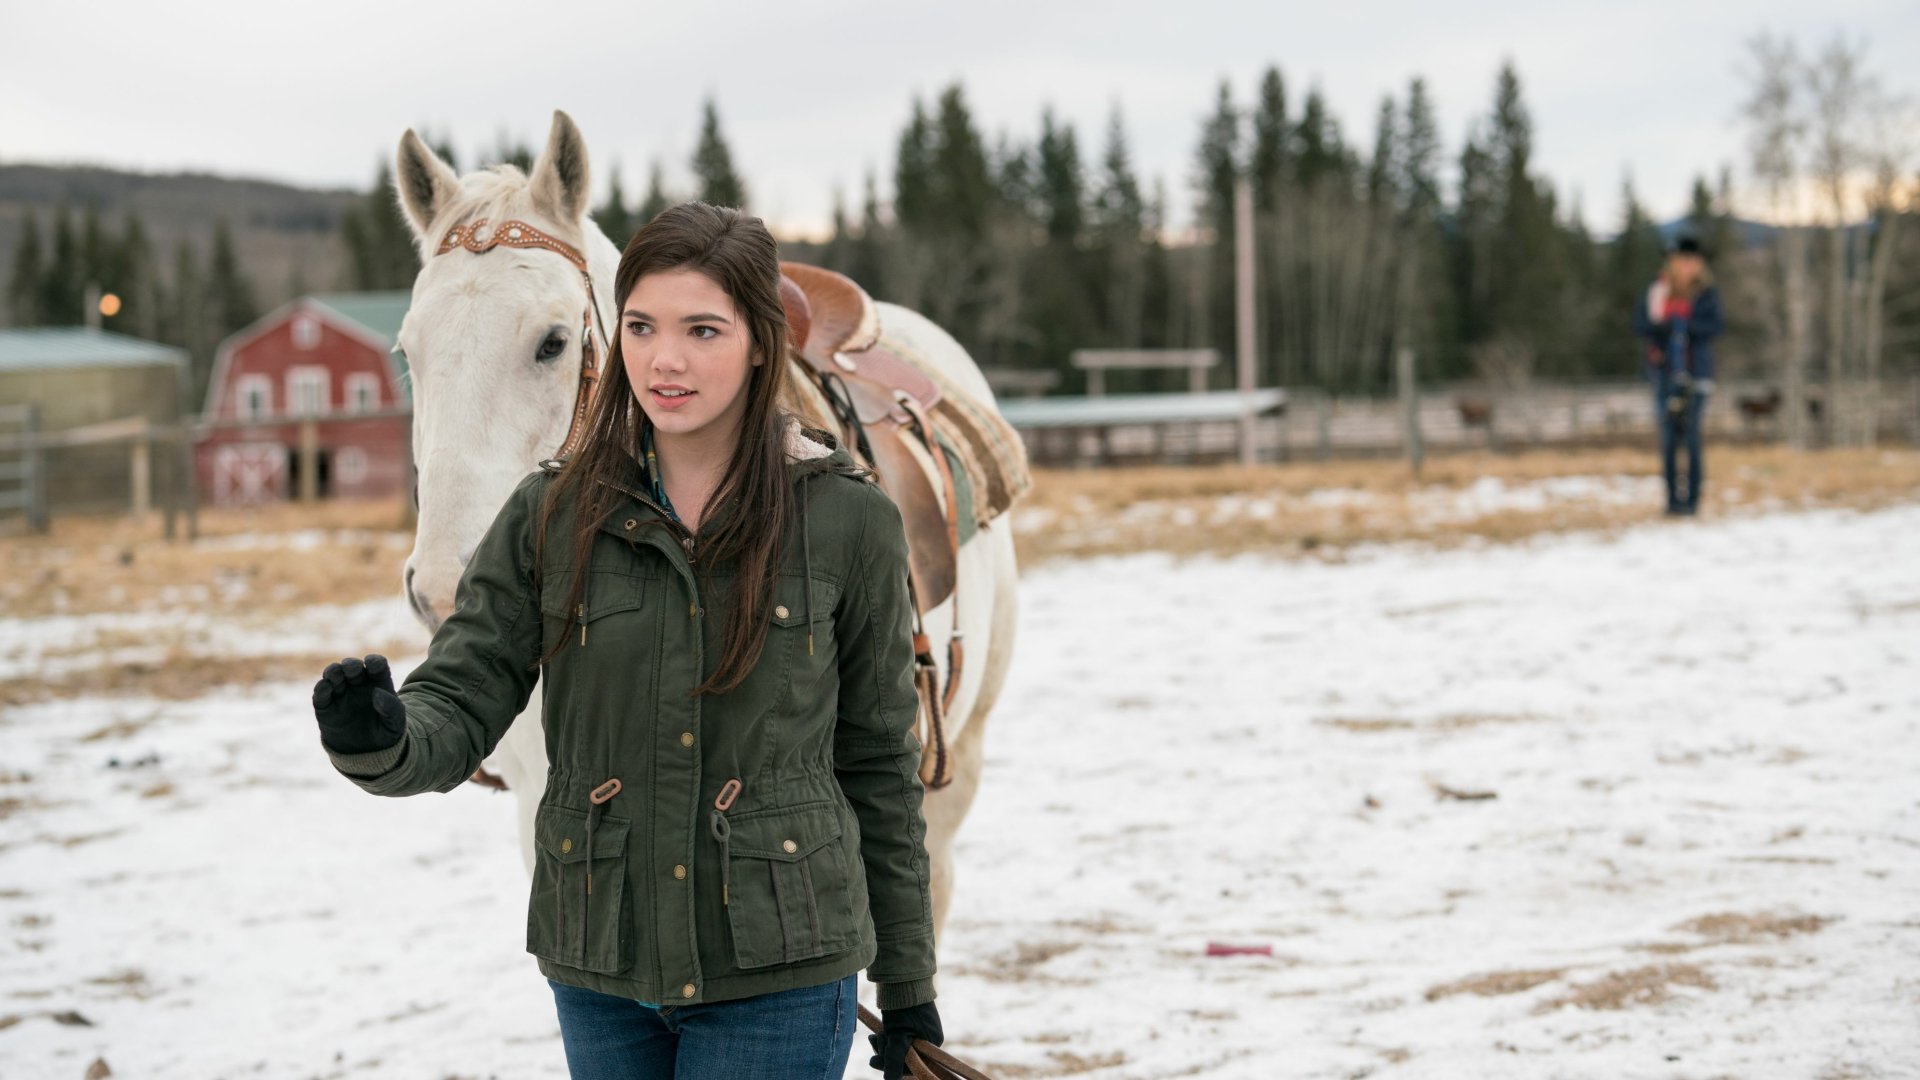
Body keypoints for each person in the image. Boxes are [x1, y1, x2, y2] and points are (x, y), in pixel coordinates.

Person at [309, 201, 944, 1079]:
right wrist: (383, 740)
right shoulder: (549, 513)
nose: (665, 359)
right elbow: (464, 690)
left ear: (761, 342)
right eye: (641, 325)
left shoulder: (845, 521)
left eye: (702, 330)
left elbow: (879, 759)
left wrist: (908, 984)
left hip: (780, 977)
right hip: (599, 969)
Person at [1633, 233, 1723, 515]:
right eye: (1682, 260)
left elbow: (1715, 327)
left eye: (1692, 261)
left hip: (1696, 373)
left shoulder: (1706, 293)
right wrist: (1668, 329)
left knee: (1692, 437)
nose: (1687, 266)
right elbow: (1641, 325)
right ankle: (1672, 501)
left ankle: (1692, 501)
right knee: (1670, 438)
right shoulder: (1657, 291)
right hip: (1664, 372)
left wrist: (1683, 326)